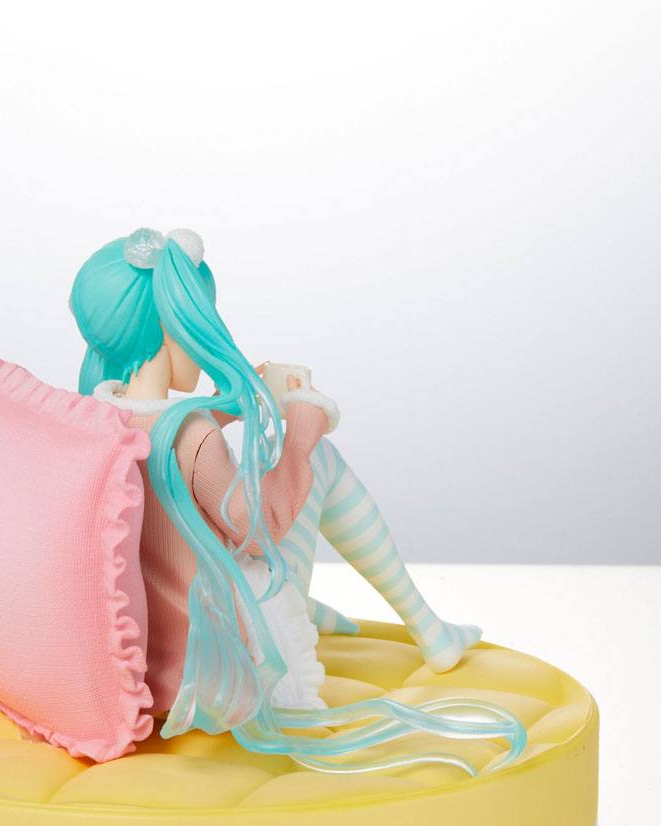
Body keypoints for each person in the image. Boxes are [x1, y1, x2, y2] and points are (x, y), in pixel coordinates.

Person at [70, 227, 523, 773]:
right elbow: (261, 530)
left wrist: (228, 406)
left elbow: (161, 439)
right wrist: (304, 427)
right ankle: (430, 629)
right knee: (320, 463)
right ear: (172, 328)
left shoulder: (96, 417)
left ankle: (374, 617)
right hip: (221, 651)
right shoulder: (192, 438)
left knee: (283, 486)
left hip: (153, 653)